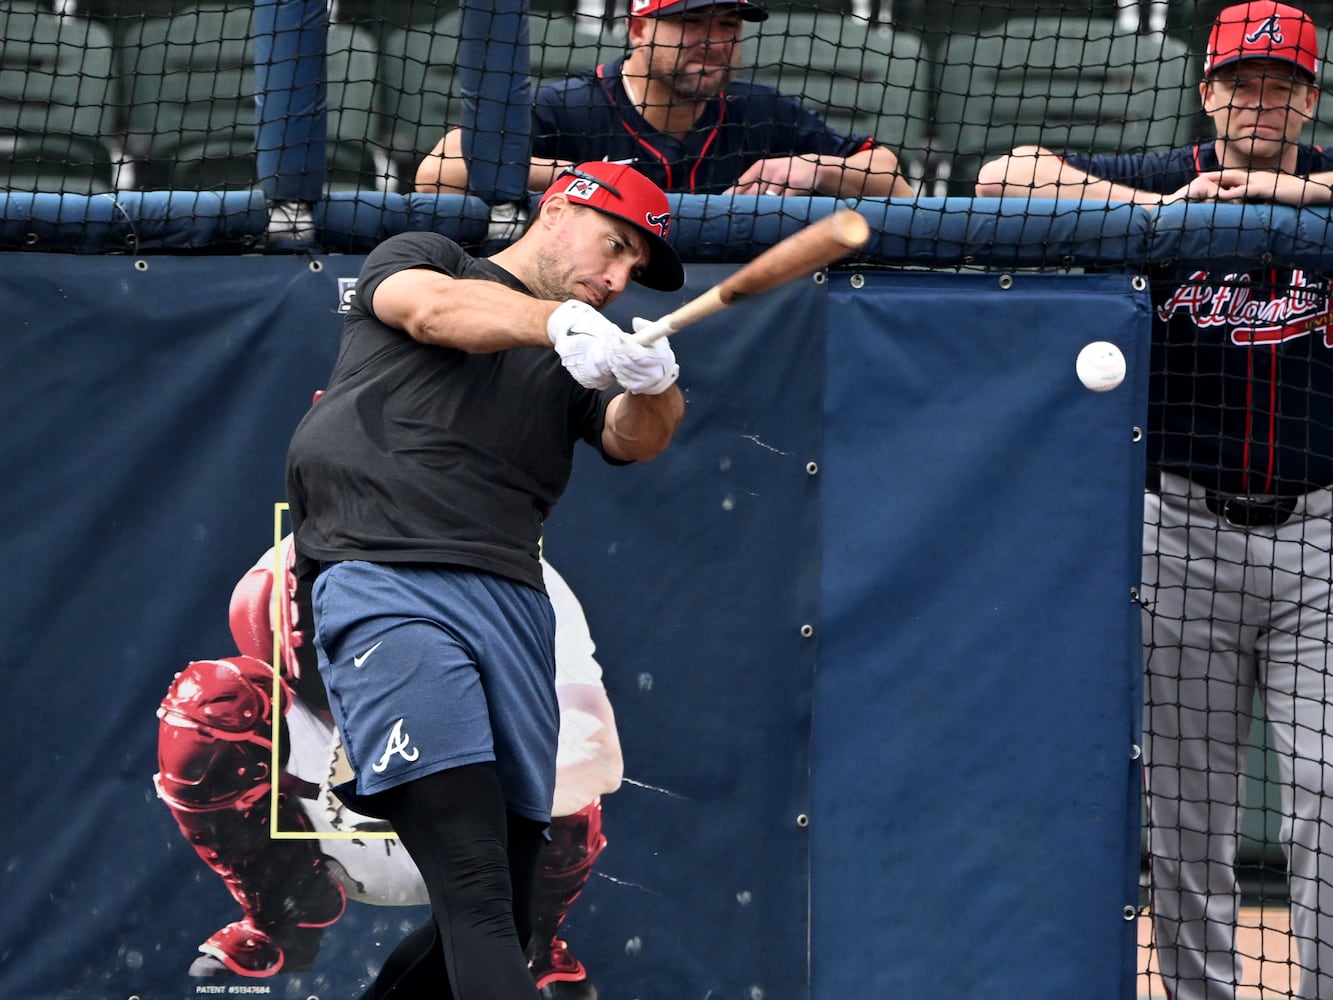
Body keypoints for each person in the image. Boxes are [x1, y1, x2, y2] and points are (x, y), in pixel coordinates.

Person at [976, 3, 1333, 998]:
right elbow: (1003, 173)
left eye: (1283, 85)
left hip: (1319, 532)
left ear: (1308, 100)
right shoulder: (1167, 173)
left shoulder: (1316, 176)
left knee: (1327, 791)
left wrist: (1283, 193)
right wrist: (1162, 213)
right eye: (1242, 82)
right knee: (1186, 813)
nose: (1260, 100)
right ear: (1208, 89)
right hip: (1178, 528)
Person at [284, 159, 686, 999]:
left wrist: (656, 385)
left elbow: (632, 439)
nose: (615, 279)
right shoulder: (430, 259)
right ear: (556, 211)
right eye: (613, 248)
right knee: (472, 881)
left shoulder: (583, 352)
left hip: (509, 604)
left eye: (631, 273)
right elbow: (431, 313)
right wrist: (561, 324)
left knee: (507, 906)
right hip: (386, 580)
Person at [155, 537, 622, 1000]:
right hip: (331, 788)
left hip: (471, 818)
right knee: (209, 705)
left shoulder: (512, 570)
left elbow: (595, 753)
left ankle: (531, 938)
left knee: (555, 757)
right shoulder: (285, 574)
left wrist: (456, 776)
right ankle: (286, 911)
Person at [414, 0, 915, 199]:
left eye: (726, 25)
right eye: (689, 23)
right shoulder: (570, 105)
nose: (712, 41)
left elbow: (891, 177)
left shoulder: (760, 111)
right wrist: (591, 177)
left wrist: (815, 169)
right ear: (637, 29)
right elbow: (439, 169)